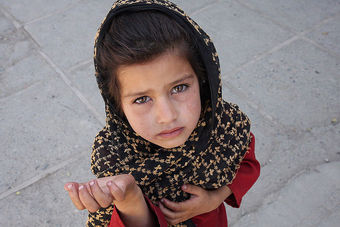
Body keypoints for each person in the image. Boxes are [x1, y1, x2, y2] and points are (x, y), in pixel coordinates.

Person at [64, 0, 260, 226]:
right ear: (118, 107)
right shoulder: (115, 160)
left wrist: (215, 198)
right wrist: (129, 200)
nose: (167, 116)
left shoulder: (224, 126)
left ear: (203, 80)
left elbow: (247, 164)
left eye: (179, 88)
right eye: (141, 99)